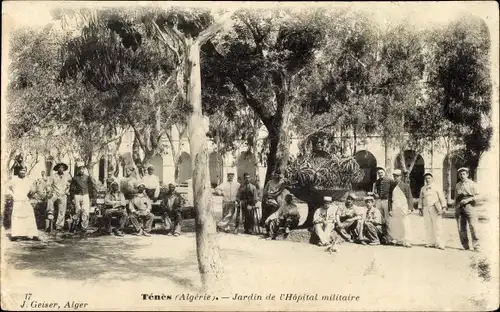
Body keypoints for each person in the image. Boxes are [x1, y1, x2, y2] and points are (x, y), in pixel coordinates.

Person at [5, 167, 41, 241]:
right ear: (18, 171)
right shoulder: (14, 179)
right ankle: (15, 235)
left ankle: (33, 235)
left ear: (26, 171)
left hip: (25, 200)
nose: (22, 172)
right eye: (21, 170)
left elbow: (33, 189)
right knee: (17, 217)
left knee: (30, 216)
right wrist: (13, 195)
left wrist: (30, 194)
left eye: (24, 170)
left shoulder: (28, 180)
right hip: (17, 201)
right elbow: (7, 188)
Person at [418, 172, 447, 250]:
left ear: (432, 178)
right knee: (428, 225)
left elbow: (442, 197)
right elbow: (421, 198)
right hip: (426, 208)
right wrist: (420, 208)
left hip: (435, 207)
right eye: (426, 178)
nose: (427, 179)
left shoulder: (437, 187)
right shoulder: (423, 188)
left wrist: (444, 207)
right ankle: (430, 242)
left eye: (429, 178)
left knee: (437, 225)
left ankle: (440, 243)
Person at [454, 167, 480, 252]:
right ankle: (465, 245)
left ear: (467, 174)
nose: (462, 176)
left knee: (473, 226)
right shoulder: (457, 185)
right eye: (460, 174)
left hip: (470, 206)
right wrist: (456, 208)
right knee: (461, 227)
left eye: (463, 174)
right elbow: (456, 197)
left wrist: (468, 200)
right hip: (460, 206)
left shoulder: (473, 184)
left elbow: (478, 196)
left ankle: (476, 246)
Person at [388, 169, 414, 247]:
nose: (396, 177)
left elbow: (409, 197)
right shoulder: (392, 186)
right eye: (394, 176)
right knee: (396, 223)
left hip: (403, 207)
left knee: (405, 223)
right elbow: (390, 198)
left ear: (400, 177)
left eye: (397, 176)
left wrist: (410, 208)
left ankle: (407, 240)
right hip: (395, 207)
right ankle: (397, 239)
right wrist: (390, 209)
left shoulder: (405, 185)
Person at [69, 162, 96, 235]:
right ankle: (76, 225)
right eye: (80, 168)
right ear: (78, 169)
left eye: (82, 168)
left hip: (85, 195)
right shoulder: (75, 178)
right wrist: (72, 197)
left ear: (84, 169)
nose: (81, 170)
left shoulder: (87, 177)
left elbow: (91, 187)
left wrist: (91, 197)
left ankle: (84, 227)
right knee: (77, 211)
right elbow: (71, 188)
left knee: (85, 211)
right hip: (77, 195)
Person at [46, 163, 71, 233]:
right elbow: (48, 185)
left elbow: (69, 186)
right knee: (50, 199)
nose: (61, 169)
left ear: (64, 169)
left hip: (63, 194)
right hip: (55, 193)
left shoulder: (67, 176)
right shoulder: (53, 176)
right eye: (59, 168)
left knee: (62, 210)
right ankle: (50, 212)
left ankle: (59, 226)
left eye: (62, 168)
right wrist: (49, 192)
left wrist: (66, 192)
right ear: (57, 169)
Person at [372, 167, 393, 239]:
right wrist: (375, 194)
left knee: (387, 219)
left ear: (384, 173)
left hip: (386, 201)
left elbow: (393, 191)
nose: (380, 174)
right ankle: (381, 236)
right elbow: (375, 191)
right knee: (379, 218)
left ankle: (390, 237)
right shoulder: (377, 182)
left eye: (381, 172)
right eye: (379, 173)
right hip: (379, 201)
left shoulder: (390, 180)